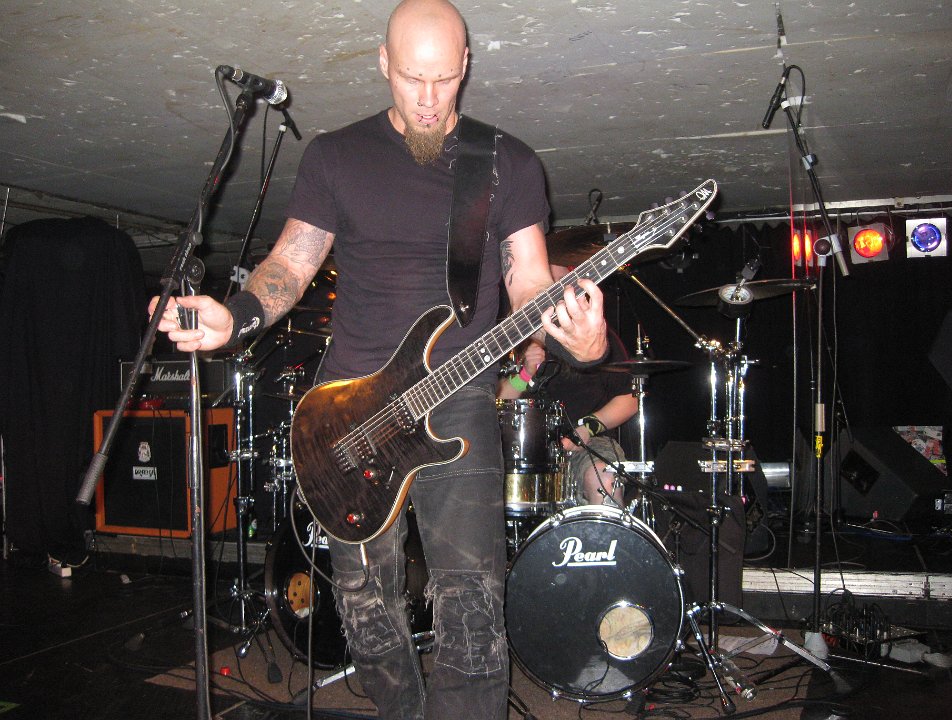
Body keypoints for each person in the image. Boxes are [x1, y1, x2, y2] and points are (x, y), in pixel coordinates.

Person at [150, 2, 608, 719]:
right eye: (411, 78)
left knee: (472, 605)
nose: (428, 98)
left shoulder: (507, 162)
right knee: (365, 605)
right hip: (348, 408)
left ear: (466, 66)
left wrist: (578, 335)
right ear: (382, 64)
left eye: (444, 79)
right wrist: (234, 316)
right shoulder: (335, 156)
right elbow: (291, 266)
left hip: (457, 399)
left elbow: (526, 280)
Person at [498, 270, 637, 506]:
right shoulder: (514, 338)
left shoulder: (594, 334)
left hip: (588, 444)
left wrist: (587, 428)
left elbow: (631, 399)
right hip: (522, 452)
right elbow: (495, 400)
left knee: (603, 477)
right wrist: (525, 374)